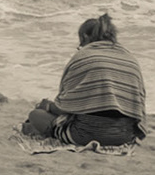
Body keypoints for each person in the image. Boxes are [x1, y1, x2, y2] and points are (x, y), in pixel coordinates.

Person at [26, 13, 146, 146]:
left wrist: (48, 106)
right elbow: (138, 106)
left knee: (35, 115)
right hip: (125, 136)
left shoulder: (84, 56)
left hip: (86, 134)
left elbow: (67, 107)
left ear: (85, 37)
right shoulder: (130, 59)